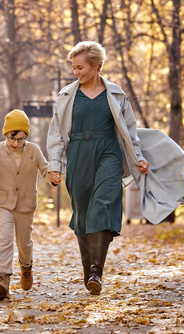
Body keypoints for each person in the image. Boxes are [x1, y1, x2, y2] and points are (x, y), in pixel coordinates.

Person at [46, 41, 149, 295]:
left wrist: (138, 158)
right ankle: (88, 268)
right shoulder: (66, 96)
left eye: (80, 67)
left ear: (96, 66)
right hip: (78, 153)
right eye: (73, 68)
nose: (75, 72)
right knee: (82, 212)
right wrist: (55, 165)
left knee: (102, 204)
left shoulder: (116, 94)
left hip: (109, 152)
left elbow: (130, 131)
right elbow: (57, 133)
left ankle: (97, 272)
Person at [0, 109, 60, 300]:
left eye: (20, 139)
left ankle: (26, 267)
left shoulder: (33, 150)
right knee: (4, 237)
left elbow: (45, 170)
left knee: (24, 243)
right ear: (6, 134)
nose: (15, 143)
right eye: (12, 138)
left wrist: (53, 177)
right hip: (3, 202)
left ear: (26, 137)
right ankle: (3, 279)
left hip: (25, 204)